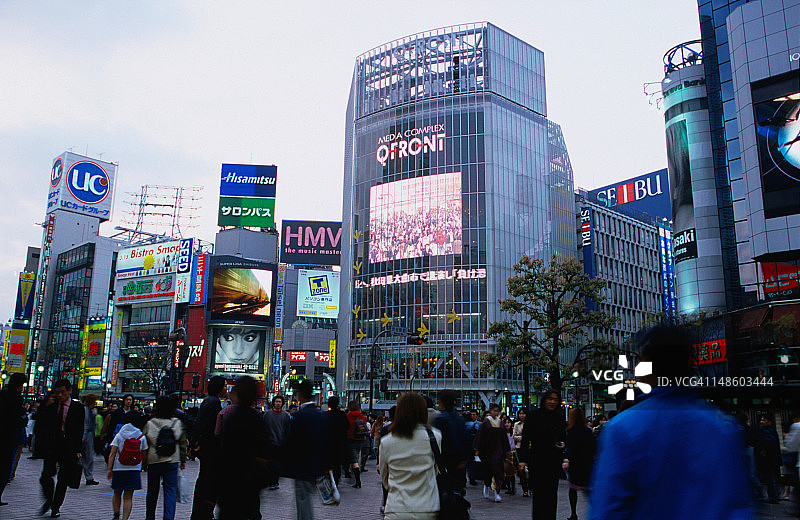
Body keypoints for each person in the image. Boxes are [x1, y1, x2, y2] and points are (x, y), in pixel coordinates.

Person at [588, 324, 752, 519]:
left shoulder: (624, 429)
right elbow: (739, 506)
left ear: (649, 363)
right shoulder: (722, 426)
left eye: (642, 356)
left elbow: (608, 510)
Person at [379, 392, 442, 520]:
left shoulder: (387, 442)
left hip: (396, 508)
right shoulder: (435, 436)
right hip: (427, 507)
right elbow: (436, 470)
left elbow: (384, 476)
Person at [217, 376, 269, 520]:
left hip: (232, 484)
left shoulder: (233, 417)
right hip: (251, 485)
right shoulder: (257, 419)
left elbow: (225, 453)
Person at [38, 379, 85, 518]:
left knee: (63, 479)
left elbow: (79, 430)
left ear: (69, 391)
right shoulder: (51, 404)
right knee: (46, 475)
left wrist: (78, 450)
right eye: (57, 392)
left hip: (68, 446)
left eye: (62, 392)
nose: (60, 395)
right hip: (52, 445)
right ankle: (49, 499)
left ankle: (55, 506)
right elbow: (39, 420)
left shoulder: (77, 407)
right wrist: (45, 406)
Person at [283, 380, 328, 520]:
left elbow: (291, 442)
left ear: (299, 395)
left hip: (301, 466)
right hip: (317, 465)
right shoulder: (321, 415)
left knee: (303, 501)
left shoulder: (298, 416)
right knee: (306, 499)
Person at [518, 390, 565, 520]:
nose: (552, 402)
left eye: (555, 399)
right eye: (550, 399)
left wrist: (562, 445)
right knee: (539, 496)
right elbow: (526, 439)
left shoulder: (559, 417)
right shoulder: (534, 416)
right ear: (544, 400)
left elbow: (563, 437)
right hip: (537, 461)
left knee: (551, 495)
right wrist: (523, 460)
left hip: (553, 461)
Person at [143, 395, 187, 520]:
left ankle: (149, 516)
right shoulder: (177, 423)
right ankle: (168, 517)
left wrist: (143, 461)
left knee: (152, 491)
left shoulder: (150, 423)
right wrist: (183, 460)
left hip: (154, 460)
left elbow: (144, 442)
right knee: (170, 491)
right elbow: (182, 443)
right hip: (172, 460)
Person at [190, 375, 226, 520]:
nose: (226, 388)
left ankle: (200, 513)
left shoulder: (207, 401)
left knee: (203, 479)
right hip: (210, 449)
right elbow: (208, 426)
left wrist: (196, 442)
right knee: (208, 481)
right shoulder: (214, 402)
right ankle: (203, 513)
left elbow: (199, 424)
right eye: (224, 386)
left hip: (204, 448)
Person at [107, 419, 148, 520]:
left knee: (117, 493)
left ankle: (116, 515)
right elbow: (144, 453)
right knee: (128, 497)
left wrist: (109, 469)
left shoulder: (119, 435)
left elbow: (112, 453)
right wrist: (142, 465)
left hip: (118, 468)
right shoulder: (141, 437)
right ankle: (125, 518)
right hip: (134, 469)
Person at [431, 389, 469, 494]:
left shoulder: (440, 420)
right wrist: (464, 458)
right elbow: (466, 440)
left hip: (444, 462)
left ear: (442, 402)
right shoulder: (460, 419)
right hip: (459, 462)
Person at [0, 373, 27, 506]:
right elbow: (19, 418)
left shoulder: (2, 394)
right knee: (5, 468)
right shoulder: (17, 399)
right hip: (9, 436)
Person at [563, 407, 595, 520]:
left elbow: (570, 447)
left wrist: (566, 459)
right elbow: (593, 447)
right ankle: (594, 510)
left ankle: (573, 513)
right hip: (587, 462)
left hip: (575, 463)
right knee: (587, 488)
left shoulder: (571, 431)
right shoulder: (588, 430)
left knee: (573, 488)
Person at [474, 403, 509, 503]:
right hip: (487, 450)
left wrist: (506, 449)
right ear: (490, 411)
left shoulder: (500, 422)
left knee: (497, 470)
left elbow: (504, 437)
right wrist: (477, 449)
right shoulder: (486, 422)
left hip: (498, 450)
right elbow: (480, 436)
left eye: (497, 411)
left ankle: (496, 492)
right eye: (494, 411)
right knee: (488, 470)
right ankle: (486, 485)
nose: (496, 413)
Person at [261, 394, 291, 490]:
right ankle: (271, 481)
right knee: (270, 463)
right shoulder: (267, 414)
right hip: (269, 443)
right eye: (276, 401)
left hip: (280, 443)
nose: (278, 403)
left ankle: (275, 481)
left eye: (280, 402)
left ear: (282, 403)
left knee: (277, 464)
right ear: (273, 403)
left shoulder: (286, 416)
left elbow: (288, 430)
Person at [757, 414, 782, 503]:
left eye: (764, 420)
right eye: (761, 420)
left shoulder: (767, 432)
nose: (761, 422)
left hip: (768, 459)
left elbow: (769, 443)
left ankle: (773, 496)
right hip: (773, 459)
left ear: (769, 422)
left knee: (770, 478)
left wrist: (763, 449)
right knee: (773, 477)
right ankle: (776, 495)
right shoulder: (772, 431)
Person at [346, 400, 369, 488]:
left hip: (352, 439)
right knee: (357, 456)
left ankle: (358, 481)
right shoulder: (362, 416)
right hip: (361, 439)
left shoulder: (349, 416)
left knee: (354, 460)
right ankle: (357, 478)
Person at [81, 394, 100, 485]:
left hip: (90, 434)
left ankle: (89, 477)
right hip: (85, 434)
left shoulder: (92, 411)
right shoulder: (84, 410)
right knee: (84, 456)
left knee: (89, 457)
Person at [512, 409, 530, 497]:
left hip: (529, 448)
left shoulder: (530, 424)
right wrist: (523, 438)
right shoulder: (516, 424)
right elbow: (514, 436)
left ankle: (531, 487)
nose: (522, 415)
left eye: (524, 413)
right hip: (519, 448)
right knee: (521, 469)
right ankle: (525, 489)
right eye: (520, 414)